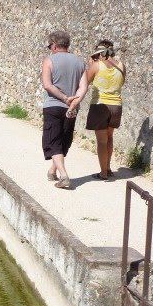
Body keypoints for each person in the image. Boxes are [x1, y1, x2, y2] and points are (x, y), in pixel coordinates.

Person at [40, 31, 87, 189]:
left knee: (53, 140)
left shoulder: (49, 60)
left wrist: (64, 98)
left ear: (54, 45)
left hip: (53, 105)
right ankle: (53, 170)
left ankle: (64, 175)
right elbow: (83, 87)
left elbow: (47, 85)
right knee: (64, 140)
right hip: (71, 109)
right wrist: (74, 102)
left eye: (49, 46)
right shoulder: (80, 63)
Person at [81, 40, 126, 180]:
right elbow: (122, 83)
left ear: (100, 53)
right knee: (109, 137)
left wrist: (90, 66)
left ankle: (103, 173)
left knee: (101, 141)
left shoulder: (96, 66)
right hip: (116, 106)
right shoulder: (121, 66)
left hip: (100, 105)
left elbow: (85, 82)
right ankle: (107, 167)